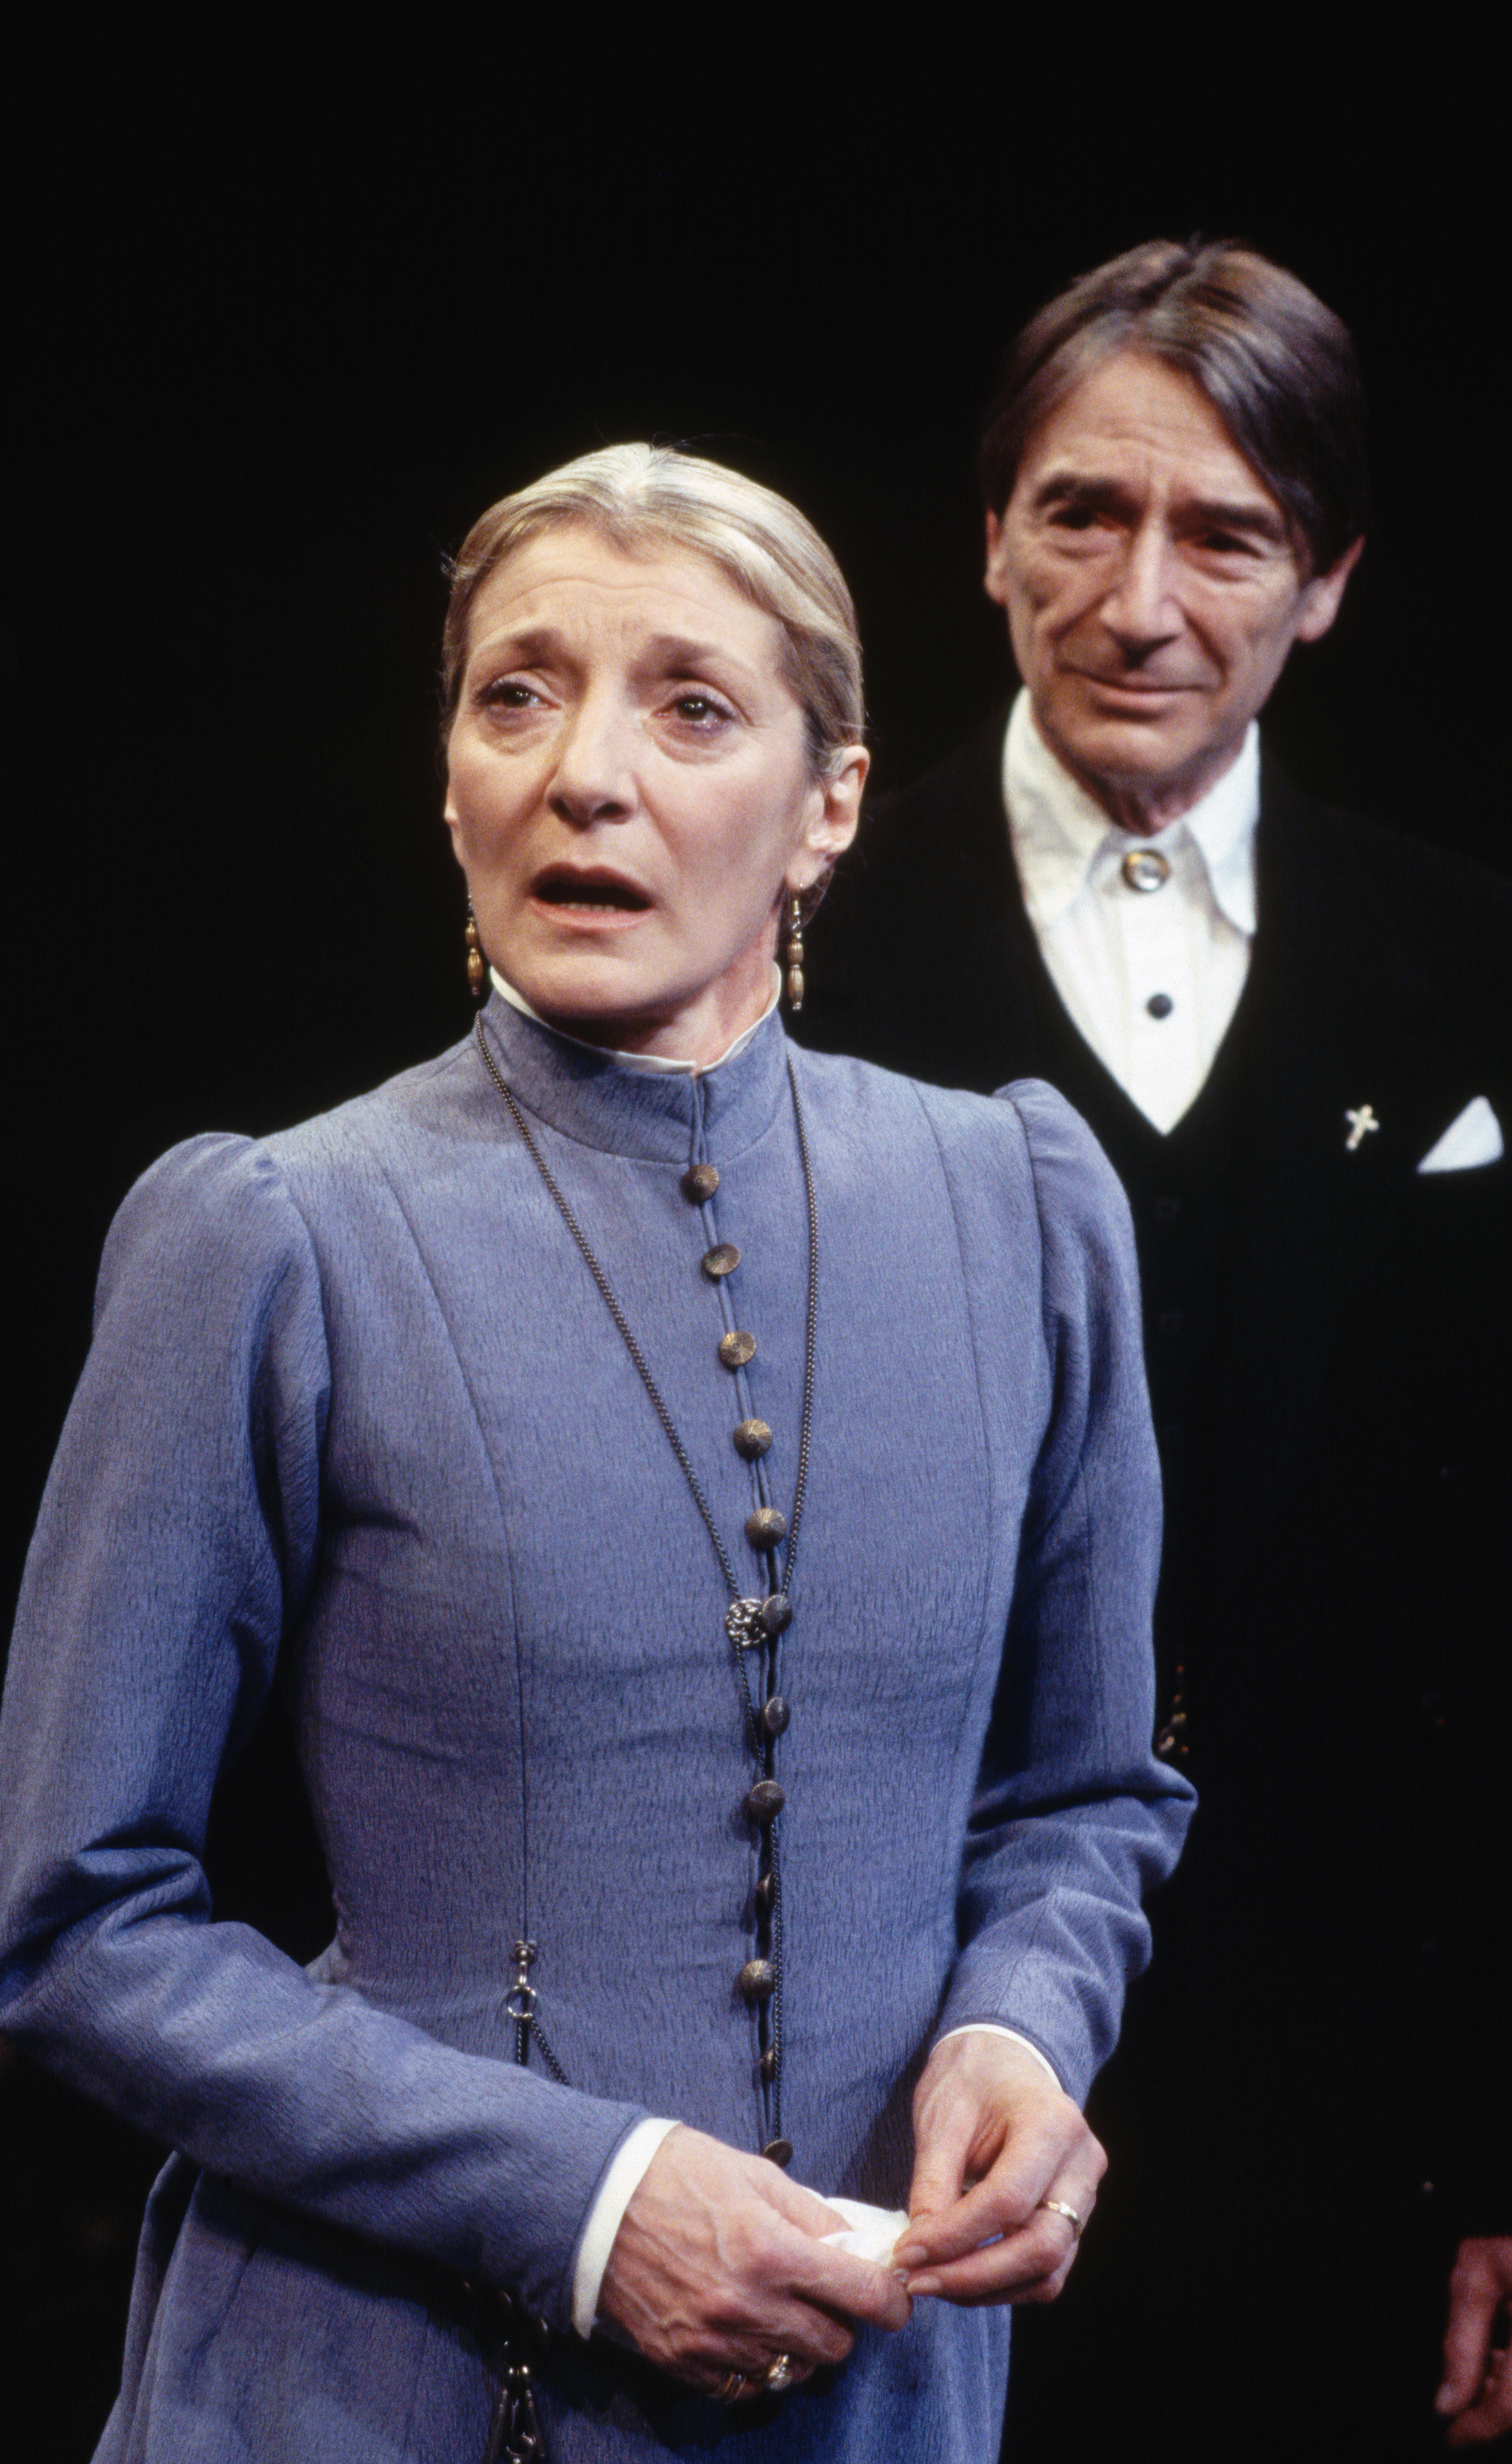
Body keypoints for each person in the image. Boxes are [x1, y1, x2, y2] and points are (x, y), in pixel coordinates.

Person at [0, 443, 1193, 2462]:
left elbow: (1087, 1790)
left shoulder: (1024, 1203)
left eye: (691, 705)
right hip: (369, 2389)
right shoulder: (275, 1235)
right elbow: (73, 1920)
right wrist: (587, 2197)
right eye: (516, 694)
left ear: (830, 807)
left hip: (877, 2395)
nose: (584, 771)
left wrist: (1021, 2022)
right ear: (447, 771)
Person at [796, 242, 1512, 2455]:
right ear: (985, 538)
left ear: (1327, 579)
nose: (1141, 599)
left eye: (1226, 533)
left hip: (1369, 2114)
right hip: (883, 2093)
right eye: (1080, 513)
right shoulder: (793, 947)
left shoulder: (1504, 977)